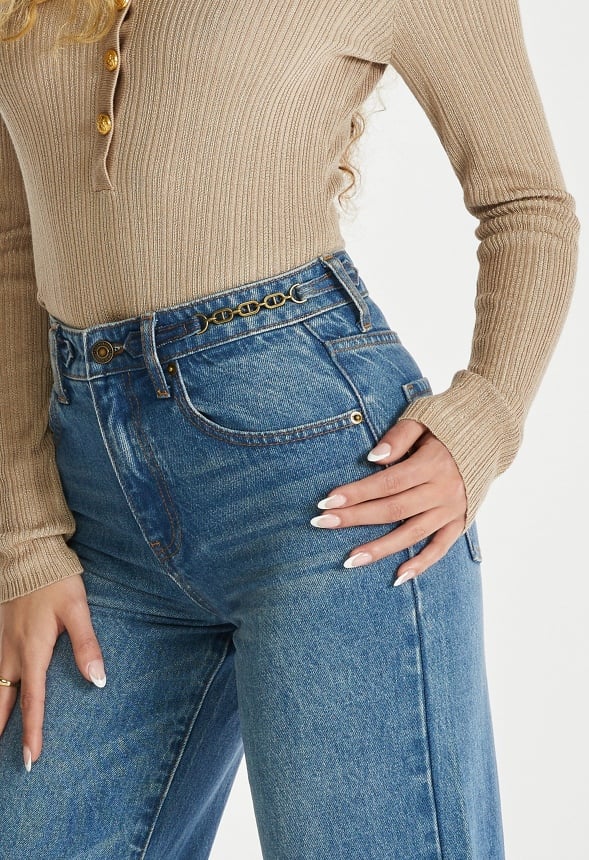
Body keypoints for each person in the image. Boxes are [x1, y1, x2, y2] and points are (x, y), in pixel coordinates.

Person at [0, 0, 579, 856]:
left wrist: (485, 417)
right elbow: (14, 248)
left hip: (325, 488)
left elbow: (527, 203)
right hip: (93, 515)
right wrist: (23, 537)